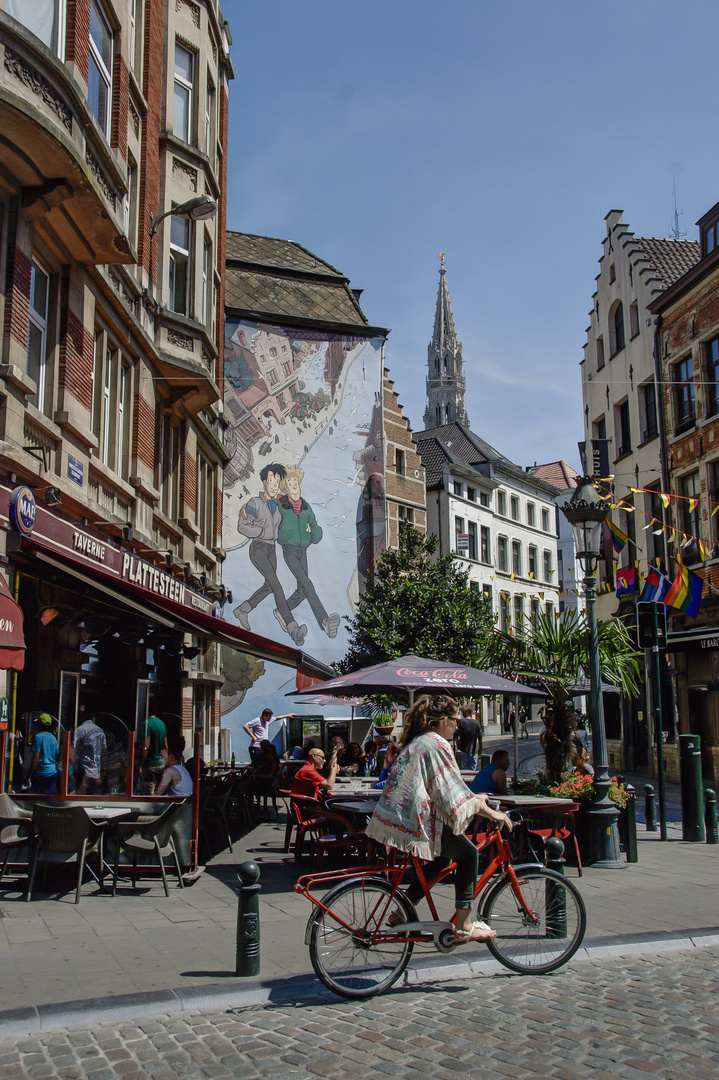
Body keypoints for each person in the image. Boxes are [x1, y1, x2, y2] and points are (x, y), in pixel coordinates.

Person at [366, 695, 513, 945]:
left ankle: (402, 910)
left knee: (442, 858)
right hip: (419, 820)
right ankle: (464, 925)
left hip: (403, 818)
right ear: (443, 720)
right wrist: (489, 812)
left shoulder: (420, 741)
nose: (457, 726)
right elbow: (450, 792)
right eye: (455, 720)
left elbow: (444, 786)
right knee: (469, 855)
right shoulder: (437, 744)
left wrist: (473, 798)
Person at [234, 463, 307, 646]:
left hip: (272, 549)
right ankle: (292, 628)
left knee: (269, 586)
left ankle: (243, 609)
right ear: (264, 482)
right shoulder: (255, 503)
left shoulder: (279, 506)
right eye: (272, 479)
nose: (275, 484)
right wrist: (259, 532)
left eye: (277, 480)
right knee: (277, 586)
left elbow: (289, 517)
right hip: (258, 548)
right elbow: (242, 525)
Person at [276, 466, 340, 638]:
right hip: (289, 550)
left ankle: (283, 610)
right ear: (285, 488)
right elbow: (275, 526)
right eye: (290, 483)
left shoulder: (306, 508)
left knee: (303, 590)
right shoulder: (280, 506)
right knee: (308, 584)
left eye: (296, 482)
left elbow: (317, 530)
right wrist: (284, 533)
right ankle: (324, 621)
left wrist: (312, 533)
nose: (294, 485)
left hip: (302, 551)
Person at [71, 715, 107, 795]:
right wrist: (103, 767)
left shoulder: (80, 729)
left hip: (83, 766)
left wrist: (74, 765)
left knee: (81, 791)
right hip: (96, 766)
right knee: (92, 792)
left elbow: (73, 748)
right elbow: (104, 750)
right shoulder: (99, 730)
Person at [26, 714, 59, 794]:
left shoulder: (38, 737)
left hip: (40, 772)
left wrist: (29, 775)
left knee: (35, 795)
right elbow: (56, 755)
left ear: (39, 725)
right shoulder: (53, 738)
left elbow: (35, 758)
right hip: (52, 772)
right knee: (47, 796)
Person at [140, 715, 167, 792]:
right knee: (159, 790)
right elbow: (165, 746)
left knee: (149, 791)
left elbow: (146, 746)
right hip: (161, 764)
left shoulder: (146, 724)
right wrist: (165, 763)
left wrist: (141, 764)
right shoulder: (162, 724)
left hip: (150, 764)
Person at [456, 704, 482, 769]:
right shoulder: (476, 723)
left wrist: (458, 746)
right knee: (472, 772)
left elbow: (456, 736)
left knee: (462, 771)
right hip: (473, 751)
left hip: (463, 750)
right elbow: (480, 738)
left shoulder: (461, 722)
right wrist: (480, 748)